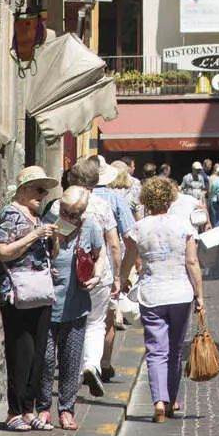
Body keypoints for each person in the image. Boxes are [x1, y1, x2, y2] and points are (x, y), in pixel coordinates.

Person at [120, 175, 206, 422]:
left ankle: (158, 400)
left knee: (156, 350)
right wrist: (199, 295)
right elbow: (192, 262)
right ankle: (171, 399)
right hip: (180, 292)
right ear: (170, 199)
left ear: (146, 200)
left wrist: (121, 280)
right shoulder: (183, 226)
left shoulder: (139, 228)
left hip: (152, 292)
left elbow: (129, 260)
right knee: (175, 349)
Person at [0, 166, 59, 429]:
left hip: (39, 291)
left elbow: (41, 254)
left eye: (45, 190)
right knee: (21, 352)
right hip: (17, 293)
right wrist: (34, 235)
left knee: (38, 354)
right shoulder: (10, 214)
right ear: (23, 189)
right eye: (38, 189)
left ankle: (30, 411)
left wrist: (51, 242)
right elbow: (3, 251)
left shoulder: (37, 217)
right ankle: (14, 412)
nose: (43, 194)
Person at [37, 185, 104, 430]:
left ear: (82, 213)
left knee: (70, 361)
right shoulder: (47, 222)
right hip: (46, 302)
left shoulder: (90, 227)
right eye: (65, 212)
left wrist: (96, 277)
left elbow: (100, 255)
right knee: (44, 359)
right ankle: (43, 408)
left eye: (74, 215)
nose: (68, 218)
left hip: (75, 304)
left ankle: (66, 410)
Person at [63, 157, 121, 397]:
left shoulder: (61, 203)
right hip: (97, 272)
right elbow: (114, 245)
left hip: (66, 271)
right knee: (96, 323)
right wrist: (117, 277)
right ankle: (91, 365)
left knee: (70, 324)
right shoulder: (102, 205)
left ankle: (70, 373)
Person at [94, 158, 137, 382]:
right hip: (108, 269)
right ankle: (104, 364)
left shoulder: (72, 197)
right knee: (107, 319)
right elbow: (129, 239)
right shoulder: (115, 199)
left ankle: (84, 363)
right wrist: (124, 273)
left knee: (82, 320)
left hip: (78, 269)